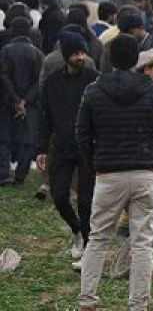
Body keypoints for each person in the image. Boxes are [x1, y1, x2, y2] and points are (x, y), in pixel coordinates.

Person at [75, 33, 153, 311]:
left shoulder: (94, 90)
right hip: (145, 172)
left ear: (110, 58)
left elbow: (82, 133)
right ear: (136, 59)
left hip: (108, 173)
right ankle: (138, 304)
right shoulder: (152, 90)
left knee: (97, 239)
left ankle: (87, 301)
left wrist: (94, 162)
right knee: (142, 241)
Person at [36, 32, 97, 262]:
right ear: (66, 56)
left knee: (85, 200)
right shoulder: (53, 83)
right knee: (59, 195)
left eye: (83, 53)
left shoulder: (93, 79)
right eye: (76, 54)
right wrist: (41, 148)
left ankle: (88, 246)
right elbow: (45, 118)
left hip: (88, 148)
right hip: (61, 147)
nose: (81, 57)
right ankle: (77, 230)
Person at [0, 18, 43, 186]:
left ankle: (3, 173)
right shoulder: (38, 54)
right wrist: (25, 101)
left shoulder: (4, 52)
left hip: (5, 102)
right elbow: (39, 81)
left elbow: (3, 77)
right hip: (29, 105)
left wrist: (15, 99)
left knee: (3, 138)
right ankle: (20, 177)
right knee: (27, 141)